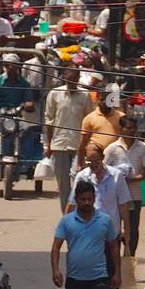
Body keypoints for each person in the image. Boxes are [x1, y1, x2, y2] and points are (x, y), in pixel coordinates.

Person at [104, 115, 145, 267]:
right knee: (114, 227)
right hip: (114, 197)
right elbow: (103, 169)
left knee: (132, 228)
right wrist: (117, 180)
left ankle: (129, 258)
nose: (131, 131)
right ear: (121, 129)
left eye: (133, 128)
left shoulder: (143, 148)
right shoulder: (112, 149)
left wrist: (129, 180)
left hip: (134, 195)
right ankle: (114, 260)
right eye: (128, 127)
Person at [44, 65, 94, 210]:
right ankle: (66, 217)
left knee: (79, 179)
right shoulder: (54, 94)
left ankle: (80, 212)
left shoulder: (85, 95)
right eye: (70, 79)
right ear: (64, 78)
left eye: (75, 79)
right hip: (59, 144)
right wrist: (48, 145)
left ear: (78, 79)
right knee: (63, 185)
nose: (72, 82)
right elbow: (49, 120)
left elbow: (89, 120)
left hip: (79, 145)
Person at [68, 145, 132, 243]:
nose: (93, 165)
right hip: (87, 233)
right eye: (90, 162)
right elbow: (72, 203)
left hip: (111, 233)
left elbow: (123, 205)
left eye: (96, 161)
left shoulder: (116, 176)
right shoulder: (82, 177)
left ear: (102, 158)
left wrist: (126, 230)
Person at [76, 89, 123, 166]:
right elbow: (83, 143)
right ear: (97, 99)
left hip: (116, 159)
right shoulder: (89, 118)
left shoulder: (121, 117)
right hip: (96, 161)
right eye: (102, 99)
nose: (105, 102)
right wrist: (79, 164)